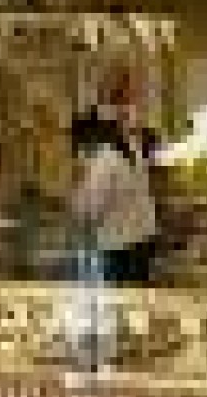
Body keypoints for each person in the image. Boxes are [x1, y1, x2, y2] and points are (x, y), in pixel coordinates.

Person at [68, 110, 160, 284]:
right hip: (141, 238)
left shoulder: (105, 160)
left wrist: (75, 198)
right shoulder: (131, 153)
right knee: (137, 293)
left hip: (118, 245)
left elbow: (91, 207)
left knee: (118, 296)